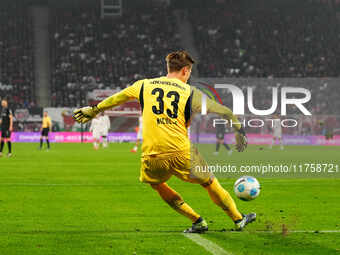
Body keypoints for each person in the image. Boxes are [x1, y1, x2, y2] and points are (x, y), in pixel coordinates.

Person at [73, 51, 255, 233]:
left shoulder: (144, 85)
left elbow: (118, 98)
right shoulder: (191, 92)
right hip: (182, 151)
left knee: (157, 184)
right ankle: (238, 219)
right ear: (185, 70)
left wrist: (95, 109)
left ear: (169, 68)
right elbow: (225, 111)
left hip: (152, 153)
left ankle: (197, 220)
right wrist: (239, 131)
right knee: (209, 183)